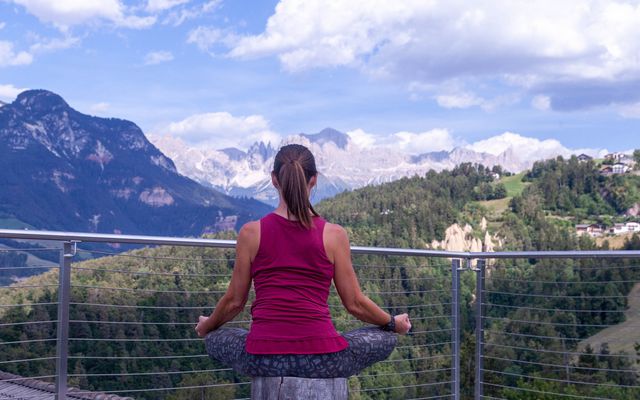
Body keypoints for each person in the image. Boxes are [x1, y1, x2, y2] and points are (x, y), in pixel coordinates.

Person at [195, 143, 411, 378]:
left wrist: (207, 325)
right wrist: (393, 323)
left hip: (261, 359)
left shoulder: (250, 233)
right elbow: (355, 304)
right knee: (384, 337)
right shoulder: (334, 234)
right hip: (323, 361)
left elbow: (234, 302)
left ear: (274, 180)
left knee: (215, 337)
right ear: (314, 180)